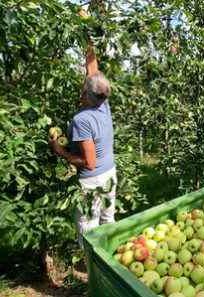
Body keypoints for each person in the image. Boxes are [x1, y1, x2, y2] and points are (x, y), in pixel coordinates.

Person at [49, 42, 117, 246]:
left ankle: (94, 271)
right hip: (110, 174)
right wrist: (88, 42)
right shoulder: (103, 103)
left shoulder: (82, 120)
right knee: (108, 222)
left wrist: (59, 150)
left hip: (92, 182)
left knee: (89, 230)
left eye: (83, 88)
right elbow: (93, 71)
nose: (82, 88)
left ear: (87, 94)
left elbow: (89, 162)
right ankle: (112, 262)